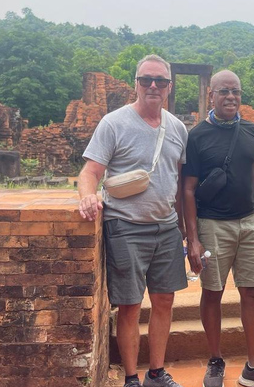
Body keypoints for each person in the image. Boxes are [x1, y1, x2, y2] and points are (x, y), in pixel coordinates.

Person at [78, 54, 188, 387]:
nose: (153, 86)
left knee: (165, 299)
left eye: (160, 81)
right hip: (125, 226)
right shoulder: (114, 123)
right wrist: (87, 195)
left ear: (169, 87)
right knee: (129, 304)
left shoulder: (178, 128)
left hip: (166, 225)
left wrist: (186, 232)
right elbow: (91, 171)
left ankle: (156, 371)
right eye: (146, 80)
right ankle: (131, 377)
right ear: (136, 83)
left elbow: (181, 183)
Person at [183, 70, 254, 387]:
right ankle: (215, 361)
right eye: (224, 91)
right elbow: (187, 190)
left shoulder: (251, 131)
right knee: (212, 292)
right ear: (210, 96)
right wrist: (193, 239)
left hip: (250, 222)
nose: (231, 96)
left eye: (236, 91)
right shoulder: (197, 135)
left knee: (252, 293)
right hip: (213, 224)